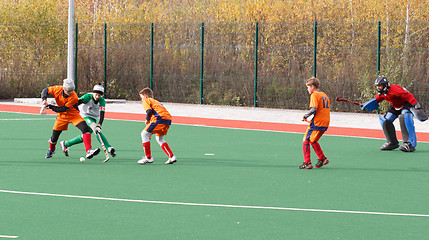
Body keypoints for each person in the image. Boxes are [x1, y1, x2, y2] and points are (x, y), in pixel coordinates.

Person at [362, 76, 428, 152]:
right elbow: (377, 99)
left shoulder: (395, 90)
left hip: (405, 104)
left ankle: (410, 143)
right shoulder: (383, 93)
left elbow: (408, 95)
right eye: (377, 86)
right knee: (385, 121)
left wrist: (415, 104)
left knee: (403, 117)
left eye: (379, 86)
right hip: (394, 106)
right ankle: (392, 142)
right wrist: (367, 105)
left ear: (385, 85)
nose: (378, 88)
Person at [41, 78, 100, 159]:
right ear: (64, 89)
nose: (71, 92)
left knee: (85, 128)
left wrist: (50, 106)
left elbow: (63, 109)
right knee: (54, 137)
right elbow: (45, 90)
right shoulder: (57, 89)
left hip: (73, 115)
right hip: (61, 117)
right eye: (69, 91)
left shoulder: (74, 97)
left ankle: (88, 150)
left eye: (72, 90)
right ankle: (51, 149)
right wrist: (44, 99)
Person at [60, 84, 116, 158]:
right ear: (93, 93)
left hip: (93, 118)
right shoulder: (87, 97)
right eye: (96, 94)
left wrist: (100, 124)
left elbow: (102, 113)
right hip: (83, 115)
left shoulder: (102, 101)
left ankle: (66, 144)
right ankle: (108, 147)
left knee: (86, 136)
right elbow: (76, 103)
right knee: (95, 129)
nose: (97, 97)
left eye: (99, 95)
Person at [138, 87, 177, 165]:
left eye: (141, 98)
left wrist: (147, 119)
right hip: (167, 119)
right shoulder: (156, 101)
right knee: (159, 138)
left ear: (145, 96)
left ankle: (148, 157)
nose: (142, 100)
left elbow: (149, 111)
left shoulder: (147, 100)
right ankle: (171, 156)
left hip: (159, 119)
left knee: (144, 134)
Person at [299, 77, 330, 169]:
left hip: (317, 122)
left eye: (308, 87)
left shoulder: (314, 95)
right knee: (313, 140)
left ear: (312, 87)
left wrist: (305, 116)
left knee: (306, 139)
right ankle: (322, 158)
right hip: (326, 121)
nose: (307, 89)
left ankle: (307, 162)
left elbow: (314, 108)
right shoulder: (324, 94)